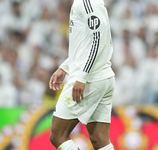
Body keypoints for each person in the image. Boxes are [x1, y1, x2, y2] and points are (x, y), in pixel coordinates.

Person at [49, 0, 115, 149]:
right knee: (100, 140)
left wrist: (82, 76)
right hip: (102, 77)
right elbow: (85, 43)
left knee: (57, 135)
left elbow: (99, 38)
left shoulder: (86, 2)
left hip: (90, 79)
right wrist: (65, 67)